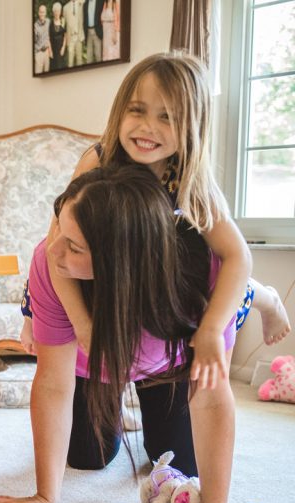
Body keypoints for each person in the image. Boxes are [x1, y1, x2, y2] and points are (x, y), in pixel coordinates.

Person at [0, 165, 294, 503]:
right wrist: (45, 497)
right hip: (98, 358)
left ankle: (265, 296)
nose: (53, 249)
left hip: (171, 359)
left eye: (74, 247)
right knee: (86, 457)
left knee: (179, 464)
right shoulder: (50, 262)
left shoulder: (205, 277)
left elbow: (210, 396)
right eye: (60, 230)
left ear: (117, 262)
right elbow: (55, 383)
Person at [20, 52, 290, 367]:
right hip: (116, 271)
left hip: (170, 274)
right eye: (137, 111)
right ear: (120, 111)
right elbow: (57, 245)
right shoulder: (97, 162)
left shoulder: (192, 183)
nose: (148, 127)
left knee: (228, 282)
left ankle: (269, 300)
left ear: (191, 126)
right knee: (51, 263)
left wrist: (212, 330)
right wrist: (81, 326)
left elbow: (238, 257)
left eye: (167, 117)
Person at [63, 0, 85, 68]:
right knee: (70, 62)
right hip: (70, 38)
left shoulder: (81, 4)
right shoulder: (65, 7)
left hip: (79, 37)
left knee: (79, 61)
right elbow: (65, 22)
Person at [34, 4, 53, 75]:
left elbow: (49, 37)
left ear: (46, 13)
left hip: (46, 53)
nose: (42, 14)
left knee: (47, 75)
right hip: (38, 53)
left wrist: (50, 50)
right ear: (38, 13)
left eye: (43, 12)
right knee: (38, 75)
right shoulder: (35, 26)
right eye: (40, 12)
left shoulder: (48, 22)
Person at [83, 0, 104, 64]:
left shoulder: (100, 2)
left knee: (98, 55)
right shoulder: (85, 4)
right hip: (88, 32)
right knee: (89, 57)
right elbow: (84, 20)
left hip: (97, 31)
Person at [50, 2, 68, 71]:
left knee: (62, 68)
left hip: (61, 50)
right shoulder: (51, 23)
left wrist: (63, 47)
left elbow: (65, 36)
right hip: (53, 50)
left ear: (60, 12)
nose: (57, 13)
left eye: (58, 11)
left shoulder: (63, 21)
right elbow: (48, 37)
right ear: (53, 12)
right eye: (55, 11)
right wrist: (50, 51)